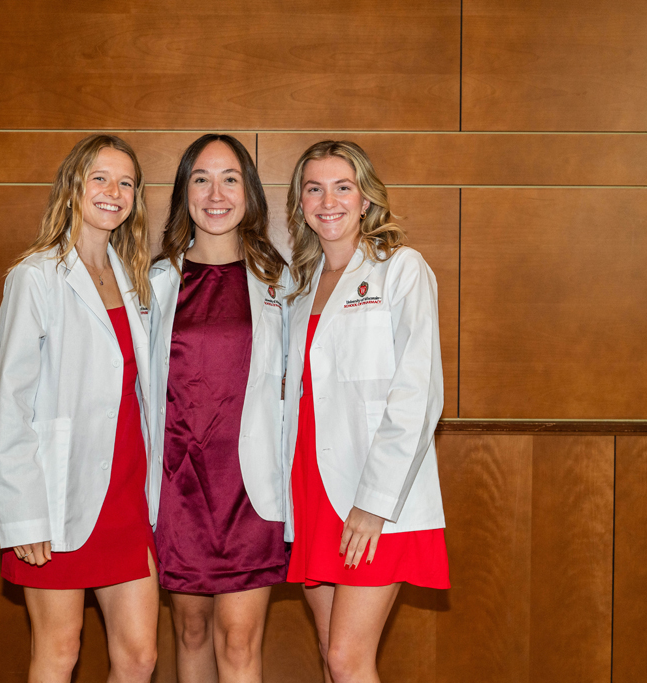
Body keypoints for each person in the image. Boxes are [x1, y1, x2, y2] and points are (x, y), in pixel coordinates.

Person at [282, 140, 450, 683]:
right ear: (300, 202)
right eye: (314, 188)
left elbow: (419, 394)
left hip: (376, 494)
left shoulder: (401, 269)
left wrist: (374, 504)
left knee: (346, 659)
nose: (327, 200)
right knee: (334, 653)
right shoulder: (299, 285)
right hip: (314, 487)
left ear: (365, 199)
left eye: (342, 186)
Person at [0, 134, 158, 683]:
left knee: (139, 658)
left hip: (126, 497)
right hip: (57, 498)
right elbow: (13, 406)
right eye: (100, 179)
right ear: (73, 188)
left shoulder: (135, 278)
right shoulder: (34, 278)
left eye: (126, 182)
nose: (114, 192)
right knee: (58, 653)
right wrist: (24, 516)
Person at [148, 133, 289, 683]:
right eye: (200, 179)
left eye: (230, 178)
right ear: (184, 191)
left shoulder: (283, 283)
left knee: (238, 641)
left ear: (249, 192)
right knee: (191, 633)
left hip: (249, 487)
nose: (215, 193)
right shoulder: (156, 283)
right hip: (179, 484)